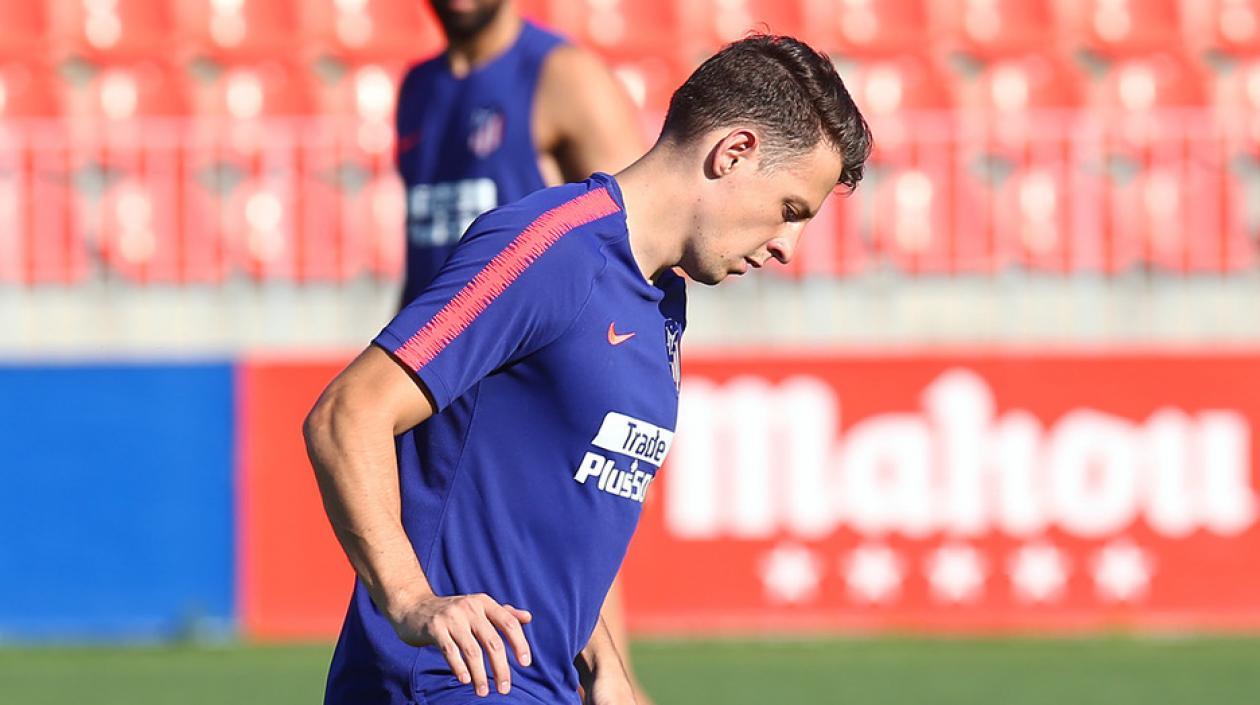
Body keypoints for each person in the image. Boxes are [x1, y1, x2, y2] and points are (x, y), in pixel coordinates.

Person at [305, 34, 872, 705]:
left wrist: (605, 666)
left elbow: (554, 512)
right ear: (734, 152)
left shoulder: (661, 297)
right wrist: (410, 599)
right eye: (790, 211)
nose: (787, 247)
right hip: (449, 682)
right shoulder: (552, 248)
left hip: (541, 685)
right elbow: (348, 412)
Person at [394, 1, 651, 698]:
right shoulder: (418, 88)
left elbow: (642, 249)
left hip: (530, 383)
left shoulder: (563, 77)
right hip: (439, 387)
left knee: (569, 580)